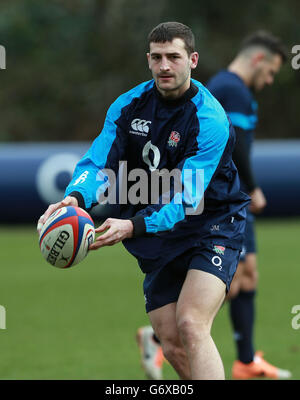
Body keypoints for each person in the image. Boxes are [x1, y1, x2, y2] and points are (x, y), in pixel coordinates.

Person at [38, 22, 250, 380]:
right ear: (148, 60)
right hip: (158, 231)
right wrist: (75, 198)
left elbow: (185, 198)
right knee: (171, 342)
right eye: (157, 57)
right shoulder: (127, 106)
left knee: (191, 323)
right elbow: (98, 161)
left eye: (174, 57)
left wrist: (133, 225)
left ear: (192, 60)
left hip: (211, 222)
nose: (165, 66)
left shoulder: (210, 119)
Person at [136, 30, 291, 380]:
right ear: (257, 60)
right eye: (269, 73)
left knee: (235, 281)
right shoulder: (231, 90)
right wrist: (254, 188)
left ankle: (242, 358)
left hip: (215, 203)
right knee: (235, 279)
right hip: (217, 205)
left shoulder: (225, 87)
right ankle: (192, 347)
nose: (267, 81)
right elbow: (232, 150)